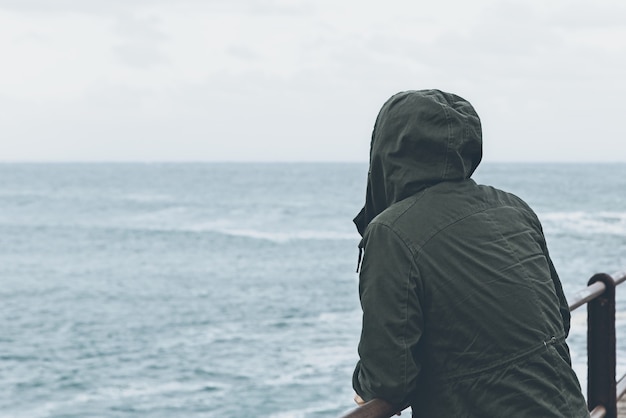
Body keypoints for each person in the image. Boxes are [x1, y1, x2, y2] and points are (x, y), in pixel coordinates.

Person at [351, 90, 590, 417]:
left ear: (386, 150)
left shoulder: (391, 231)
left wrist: (366, 387)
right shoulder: (512, 207)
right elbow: (559, 318)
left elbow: (389, 381)